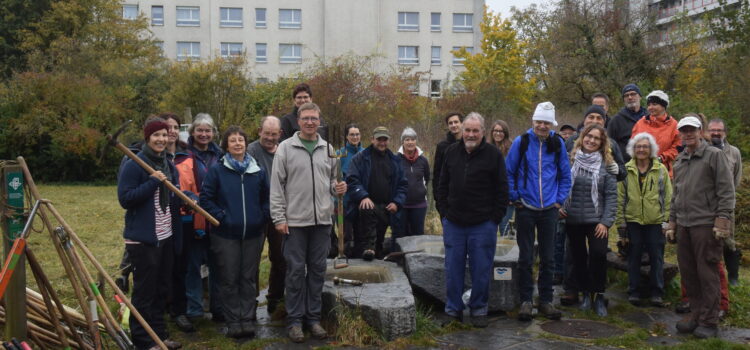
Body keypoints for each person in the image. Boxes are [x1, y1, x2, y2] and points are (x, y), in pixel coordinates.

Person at [270, 102, 346, 343]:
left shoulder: (328, 148)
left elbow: (332, 182)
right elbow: (276, 187)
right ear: (299, 121)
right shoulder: (285, 148)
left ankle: (313, 319)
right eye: (306, 118)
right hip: (295, 223)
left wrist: (338, 188)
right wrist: (279, 218)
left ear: (319, 121)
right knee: (294, 273)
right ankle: (294, 321)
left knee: (317, 272)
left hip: (322, 222)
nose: (310, 122)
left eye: (314, 118)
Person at [435, 112, 508, 328]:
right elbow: (441, 185)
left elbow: (502, 190)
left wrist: (494, 218)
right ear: (462, 131)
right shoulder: (451, 152)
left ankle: (479, 309)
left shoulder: (493, 155)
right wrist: (444, 214)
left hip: (482, 224)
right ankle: (453, 309)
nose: (471, 134)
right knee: (453, 269)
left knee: (481, 269)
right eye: (467, 130)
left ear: (483, 132)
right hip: (454, 222)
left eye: (475, 130)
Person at [117, 118, 183, 350]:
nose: (161, 140)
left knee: (161, 290)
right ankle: (144, 342)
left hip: (165, 235)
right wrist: (152, 182)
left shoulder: (167, 162)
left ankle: (159, 336)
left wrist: (187, 199)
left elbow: (173, 193)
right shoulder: (134, 163)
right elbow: (125, 199)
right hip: (143, 239)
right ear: (147, 138)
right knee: (144, 293)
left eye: (164, 135)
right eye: (156, 135)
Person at [667, 116, 735, 339]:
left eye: (692, 130)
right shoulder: (680, 160)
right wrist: (672, 222)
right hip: (685, 224)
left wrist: (722, 221)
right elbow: (675, 195)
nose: (688, 134)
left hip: (706, 224)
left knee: (708, 273)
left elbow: (726, 191)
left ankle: (709, 320)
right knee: (689, 273)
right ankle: (696, 314)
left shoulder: (714, 156)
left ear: (700, 132)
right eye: (684, 131)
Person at [505, 102, 572, 322]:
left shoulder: (557, 143)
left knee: (548, 257)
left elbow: (565, 174)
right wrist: (515, 197)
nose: (542, 126)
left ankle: (545, 300)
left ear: (552, 123)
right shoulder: (521, 142)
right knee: (525, 257)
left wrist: (559, 200)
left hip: (549, 210)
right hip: (526, 208)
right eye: (539, 122)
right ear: (533, 121)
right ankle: (526, 300)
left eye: (546, 122)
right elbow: (509, 172)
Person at [200, 126, 269, 338]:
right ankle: (233, 321)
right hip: (225, 235)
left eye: (241, 140)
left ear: (246, 143)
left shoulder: (257, 170)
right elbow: (205, 199)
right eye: (233, 141)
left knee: (248, 278)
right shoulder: (218, 171)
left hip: (253, 234)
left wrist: (261, 217)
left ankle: (247, 319)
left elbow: (267, 198)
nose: (238, 143)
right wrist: (221, 217)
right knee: (228, 279)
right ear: (226, 146)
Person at [561, 124, 617, 317]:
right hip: (573, 218)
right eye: (588, 136)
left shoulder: (607, 163)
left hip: (597, 221)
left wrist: (606, 222)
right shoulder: (569, 160)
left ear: (602, 142)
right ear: (582, 137)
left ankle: (599, 296)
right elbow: (560, 185)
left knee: (599, 255)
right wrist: (559, 206)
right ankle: (585, 293)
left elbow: (611, 195)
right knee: (578, 258)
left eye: (596, 138)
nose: (591, 140)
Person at [175, 113, 224, 323]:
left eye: (208, 130)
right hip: (193, 219)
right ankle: (194, 310)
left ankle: (218, 308)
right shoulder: (183, 156)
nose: (204, 134)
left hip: (217, 219)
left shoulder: (221, 156)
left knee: (218, 266)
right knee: (193, 267)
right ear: (192, 132)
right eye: (200, 130)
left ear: (213, 133)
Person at [617, 132, 672, 307]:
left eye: (645, 147)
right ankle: (634, 290)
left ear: (651, 150)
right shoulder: (626, 169)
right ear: (633, 149)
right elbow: (620, 199)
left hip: (655, 221)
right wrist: (621, 226)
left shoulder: (661, 170)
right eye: (638, 146)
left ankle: (657, 292)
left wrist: (666, 222)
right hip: (633, 221)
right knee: (633, 256)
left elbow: (668, 198)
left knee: (657, 257)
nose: (641, 149)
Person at [346, 126, 408, 260]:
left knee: (379, 242)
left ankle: (378, 269)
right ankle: (360, 269)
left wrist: (397, 202)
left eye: (384, 139)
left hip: (386, 208)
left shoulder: (395, 160)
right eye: (379, 139)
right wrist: (363, 196)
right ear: (372, 139)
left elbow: (403, 185)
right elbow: (352, 180)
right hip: (364, 209)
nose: (382, 142)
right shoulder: (360, 158)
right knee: (362, 244)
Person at [247, 116, 285, 314]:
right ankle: (250, 302)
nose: (270, 138)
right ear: (260, 131)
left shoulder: (284, 150)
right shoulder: (251, 151)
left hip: (280, 212)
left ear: (280, 134)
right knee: (253, 259)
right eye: (267, 133)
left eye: (274, 134)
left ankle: (275, 298)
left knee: (280, 257)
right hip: (257, 213)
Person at [707, 118, 742, 286]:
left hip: (726, 205)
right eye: (712, 130)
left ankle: (733, 277)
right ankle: (713, 278)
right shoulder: (703, 150)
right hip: (705, 205)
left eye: (719, 130)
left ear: (724, 133)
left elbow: (736, 178)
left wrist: (728, 200)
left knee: (728, 240)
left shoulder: (734, 152)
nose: (715, 133)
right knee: (709, 241)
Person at [630, 90, 680, 177]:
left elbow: (677, 147)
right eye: (649, 105)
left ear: (663, 106)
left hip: (664, 171)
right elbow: (633, 144)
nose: (650, 107)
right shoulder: (640, 123)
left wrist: (662, 157)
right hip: (641, 170)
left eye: (654, 104)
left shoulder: (674, 125)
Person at [397, 127, 430, 237]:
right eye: (407, 139)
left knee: (418, 236)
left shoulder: (423, 160)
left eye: (412, 139)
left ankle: (417, 255)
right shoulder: (396, 159)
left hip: (419, 205)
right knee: (400, 236)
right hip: (401, 205)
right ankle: (399, 255)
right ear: (402, 142)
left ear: (416, 141)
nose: (410, 142)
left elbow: (427, 178)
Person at [338, 124, 365, 253]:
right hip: (344, 202)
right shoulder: (340, 154)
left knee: (361, 233)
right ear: (347, 137)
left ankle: (360, 260)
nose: (355, 137)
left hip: (361, 200)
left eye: (357, 134)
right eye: (352, 134)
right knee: (346, 234)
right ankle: (345, 256)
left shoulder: (365, 153)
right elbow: (334, 178)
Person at [608, 84, 648, 162]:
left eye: (633, 94)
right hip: (625, 165)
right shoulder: (616, 120)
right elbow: (609, 144)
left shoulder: (650, 118)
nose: (630, 97)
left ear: (640, 96)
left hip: (648, 164)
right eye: (626, 96)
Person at [432, 112, 463, 205]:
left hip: (466, 196)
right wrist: (437, 198)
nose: (453, 125)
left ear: (462, 123)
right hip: (447, 197)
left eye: (456, 122)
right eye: (450, 123)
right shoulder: (442, 146)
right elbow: (437, 172)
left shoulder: (469, 144)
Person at [490, 120, 514, 237]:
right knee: (490, 226)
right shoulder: (487, 148)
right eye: (496, 131)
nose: (498, 133)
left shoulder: (512, 149)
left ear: (505, 133)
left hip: (506, 195)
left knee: (504, 226)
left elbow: (515, 173)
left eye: (501, 131)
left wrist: (512, 194)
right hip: (490, 196)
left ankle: (507, 255)